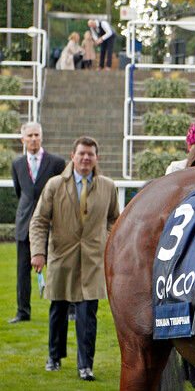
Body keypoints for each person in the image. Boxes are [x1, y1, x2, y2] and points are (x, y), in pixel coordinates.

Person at [30, 136, 120, 381]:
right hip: (61, 256)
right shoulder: (55, 185)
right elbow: (39, 221)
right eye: (81, 153)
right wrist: (38, 252)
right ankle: (54, 357)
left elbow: (115, 218)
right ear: (73, 156)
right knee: (58, 310)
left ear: (96, 158)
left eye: (90, 154)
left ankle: (85, 365)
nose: (85, 158)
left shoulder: (108, 186)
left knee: (87, 315)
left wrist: (107, 239)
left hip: (93, 260)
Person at [8, 122, 65, 324]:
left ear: (41, 137)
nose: (34, 139)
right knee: (22, 272)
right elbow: (20, 192)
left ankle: (68, 308)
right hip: (24, 225)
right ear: (23, 139)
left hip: (51, 224)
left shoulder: (56, 163)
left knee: (59, 268)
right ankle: (23, 312)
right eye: (30, 135)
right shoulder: (17, 164)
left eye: (37, 135)